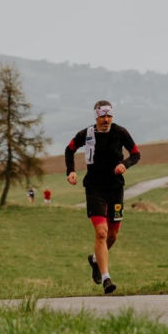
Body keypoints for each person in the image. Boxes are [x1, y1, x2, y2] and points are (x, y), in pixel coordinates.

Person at [65, 99, 141, 295]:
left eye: (109, 116)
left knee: (113, 235)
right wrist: (71, 171)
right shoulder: (87, 134)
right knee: (101, 232)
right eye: (102, 116)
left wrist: (126, 164)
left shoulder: (120, 132)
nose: (106, 119)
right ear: (96, 117)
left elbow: (135, 154)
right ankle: (106, 278)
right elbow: (70, 149)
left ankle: (95, 260)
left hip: (115, 188)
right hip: (94, 188)